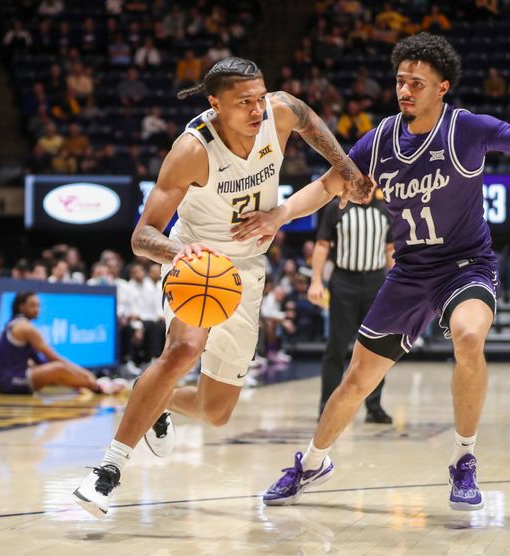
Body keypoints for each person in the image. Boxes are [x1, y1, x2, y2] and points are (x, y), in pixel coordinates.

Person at [238, 32, 510, 510]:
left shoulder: (466, 129)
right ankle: (312, 462)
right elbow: (329, 184)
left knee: (468, 337)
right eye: (400, 81)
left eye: (416, 82)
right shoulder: (381, 138)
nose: (405, 90)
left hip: (466, 265)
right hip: (410, 271)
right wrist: (278, 215)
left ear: (442, 87)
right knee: (355, 381)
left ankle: (464, 459)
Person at [71, 56, 373, 519]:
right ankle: (107, 472)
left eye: (259, 98)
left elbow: (312, 124)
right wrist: (179, 255)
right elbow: (141, 235)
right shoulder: (192, 150)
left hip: (248, 272)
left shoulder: (281, 111)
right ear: (215, 104)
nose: (257, 111)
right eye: (243, 103)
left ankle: (156, 395)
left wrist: (347, 168)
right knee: (183, 349)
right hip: (196, 264)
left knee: (216, 412)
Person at [310, 191, 394, 423]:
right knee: (336, 346)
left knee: (377, 348)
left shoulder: (386, 209)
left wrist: (396, 286)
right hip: (343, 281)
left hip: (376, 282)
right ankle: (326, 405)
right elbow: (322, 244)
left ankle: (374, 406)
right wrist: (316, 280)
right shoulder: (336, 207)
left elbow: (390, 250)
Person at [0, 291, 114, 394]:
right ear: (21, 307)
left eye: (38, 305)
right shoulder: (25, 327)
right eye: (32, 305)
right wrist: (87, 374)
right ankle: (98, 386)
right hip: (7, 381)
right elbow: (54, 358)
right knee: (58, 368)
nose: (37, 309)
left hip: (4, 378)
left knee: (51, 369)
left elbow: (38, 361)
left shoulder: (14, 323)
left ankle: (88, 385)